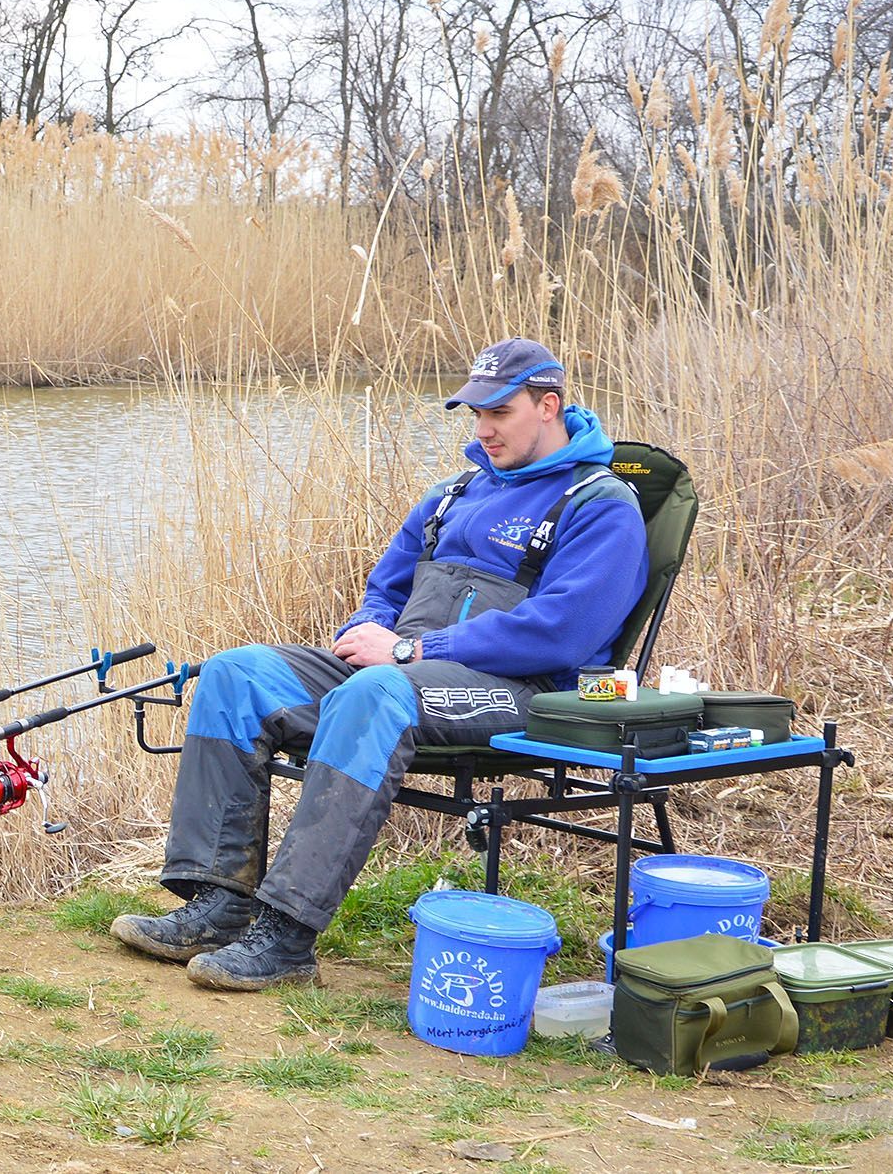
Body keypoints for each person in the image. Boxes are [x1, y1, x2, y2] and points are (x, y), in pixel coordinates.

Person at [111, 338, 650, 990]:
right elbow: (386, 587)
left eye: (499, 413)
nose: (482, 428)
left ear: (548, 405)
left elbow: (559, 635)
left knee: (375, 694)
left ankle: (284, 938)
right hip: (399, 669)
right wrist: (367, 628)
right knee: (235, 675)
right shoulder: (455, 492)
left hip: (521, 693)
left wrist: (410, 651)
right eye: (475, 412)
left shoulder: (602, 505)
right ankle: (219, 904)